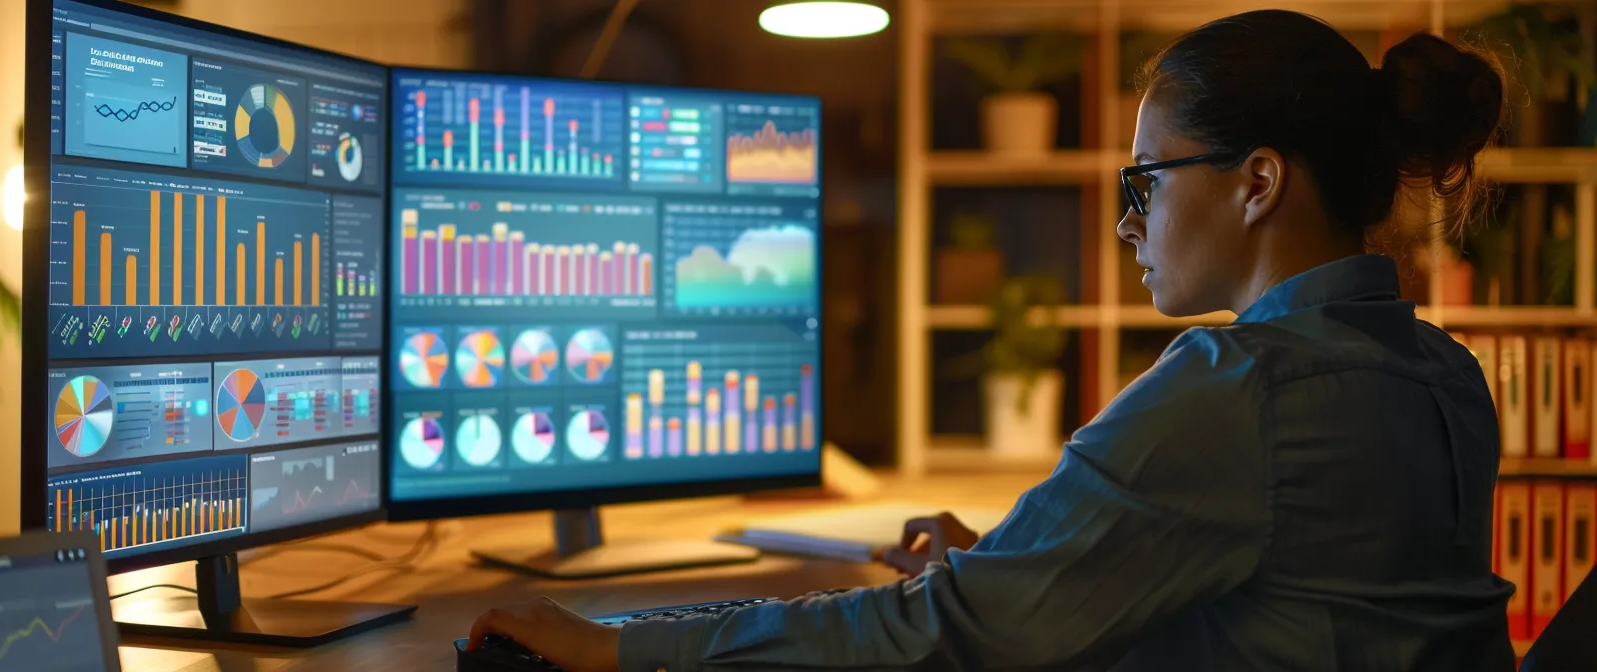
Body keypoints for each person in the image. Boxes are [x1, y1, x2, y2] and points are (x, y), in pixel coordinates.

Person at [467, 9, 1515, 671]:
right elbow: (1294, 621)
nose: (1126, 222)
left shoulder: (1234, 389)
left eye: (1144, 181)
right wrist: (1040, 566)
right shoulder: (1446, 376)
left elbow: (944, 638)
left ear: (1257, 182)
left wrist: (618, 646)